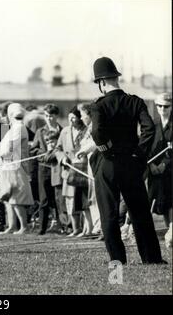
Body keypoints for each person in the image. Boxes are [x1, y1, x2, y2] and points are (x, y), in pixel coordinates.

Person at [89, 56, 165, 264]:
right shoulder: (135, 101)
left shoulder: (98, 106)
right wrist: (138, 154)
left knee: (109, 214)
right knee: (140, 212)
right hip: (131, 162)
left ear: (101, 82)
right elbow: (149, 129)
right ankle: (152, 258)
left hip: (108, 163)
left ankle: (117, 260)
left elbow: (97, 132)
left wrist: (106, 150)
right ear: (116, 78)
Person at [0, 103, 34, 234]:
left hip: (15, 166)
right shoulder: (12, 129)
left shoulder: (18, 127)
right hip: (7, 166)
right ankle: (12, 226)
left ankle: (24, 226)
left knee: (17, 198)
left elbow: (7, 149)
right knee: (9, 199)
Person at [55, 106, 89, 237]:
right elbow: (58, 149)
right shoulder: (64, 131)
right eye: (69, 118)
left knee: (83, 199)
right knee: (70, 199)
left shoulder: (86, 131)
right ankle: (75, 228)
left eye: (73, 118)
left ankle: (87, 228)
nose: (71, 121)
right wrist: (62, 157)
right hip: (69, 171)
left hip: (83, 169)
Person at [30, 103, 63, 235]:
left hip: (58, 168)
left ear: (56, 116)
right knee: (44, 200)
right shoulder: (40, 131)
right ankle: (42, 228)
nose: (49, 118)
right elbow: (33, 150)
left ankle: (63, 226)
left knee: (59, 198)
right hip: (44, 169)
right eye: (47, 116)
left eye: (51, 116)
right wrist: (44, 156)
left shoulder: (62, 130)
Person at [147, 93, 172, 249]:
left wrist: (164, 164)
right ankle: (168, 233)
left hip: (170, 171)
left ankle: (171, 233)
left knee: (171, 202)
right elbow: (147, 147)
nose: (163, 109)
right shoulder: (153, 125)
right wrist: (151, 166)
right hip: (154, 171)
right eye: (160, 106)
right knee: (160, 203)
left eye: (166, 106)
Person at [76, 103, 101, 237]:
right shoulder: (87, 129)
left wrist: (83, 150)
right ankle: (93, 227)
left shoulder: (94, 128)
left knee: (96, 196)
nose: (81, 118)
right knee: (91, 196)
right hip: (88, 166)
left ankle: (99, 227)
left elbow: (95, 143)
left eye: (82, 115)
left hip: (95, 164)